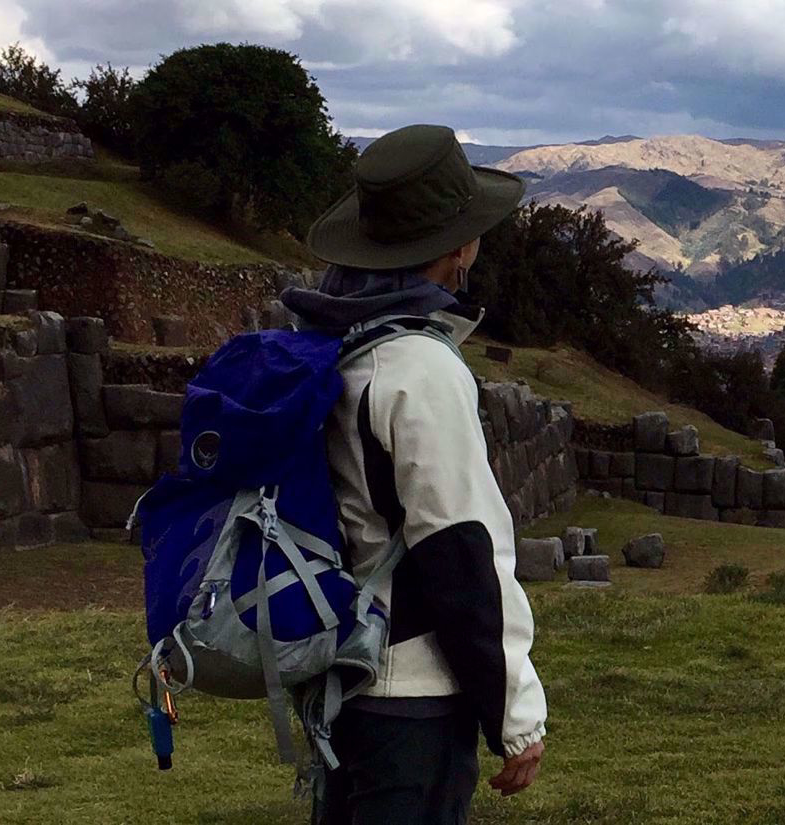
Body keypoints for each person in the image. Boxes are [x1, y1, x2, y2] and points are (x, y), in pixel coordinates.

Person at [280, 124, 546, 824]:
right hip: (411, 702)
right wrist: (516, 711)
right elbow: (462, 550)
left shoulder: (338, 346)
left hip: (347, 682)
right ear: (455, 249)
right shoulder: (419, 370)